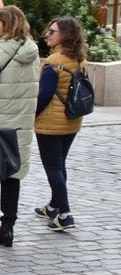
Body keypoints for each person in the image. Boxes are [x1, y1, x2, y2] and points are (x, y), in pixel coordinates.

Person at [0, 5, 41, 247]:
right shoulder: (33, 51)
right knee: (12, 176)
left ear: (7, 25)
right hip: (21, 126)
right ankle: (7, 227)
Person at [34, 17, 87, 232]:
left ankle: (65, 214)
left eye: (53, 32)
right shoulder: (80, 60)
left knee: (53, 167)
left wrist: (32, 114)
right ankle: (55, 205)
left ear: (65, 35)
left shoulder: (54, 61)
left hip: (51, 123)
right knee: (59, 164)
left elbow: (45, 94)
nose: (48, 35)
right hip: (72, 120)